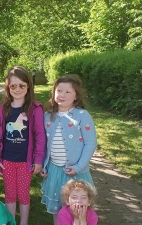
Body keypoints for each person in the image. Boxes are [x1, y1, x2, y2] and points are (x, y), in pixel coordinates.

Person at [0, 66, 46, 225]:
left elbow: (40, 135)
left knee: (23, 194)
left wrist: (38, 159)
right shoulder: (3, 109)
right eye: (13, 86)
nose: (17, 89)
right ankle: (11, 222)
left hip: (25, 161)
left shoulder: (35, 109)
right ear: (8, 87)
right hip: (7, 160)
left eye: (22, 85)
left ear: (28, 85)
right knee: (10, 194)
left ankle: (24, 222)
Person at [40, 74, 97, 225]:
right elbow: (43, 143)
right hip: (54, 171)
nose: (62, 95)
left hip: (75, 172)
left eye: (67, 92)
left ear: (76, 95)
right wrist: (43, 165)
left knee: (76, 207)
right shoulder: (48, 116)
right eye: (59, 91)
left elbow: (90, 143)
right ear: (53, 92)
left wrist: (78, 167)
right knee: (57, 208)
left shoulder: (82, 116)